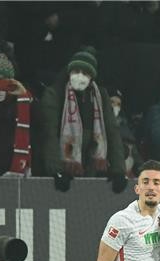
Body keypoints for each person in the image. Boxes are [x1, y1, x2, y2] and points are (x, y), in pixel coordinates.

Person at [39, 47, 125, 192]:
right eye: (76, 71)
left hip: (91, 167)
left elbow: (112, 131)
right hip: (63, 167)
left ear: (91, 77)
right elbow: (49, 133)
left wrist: (118, 170)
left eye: (85, 73)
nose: (79, 76)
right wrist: (56, 170)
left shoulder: (100, 96)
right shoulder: (55, 94)